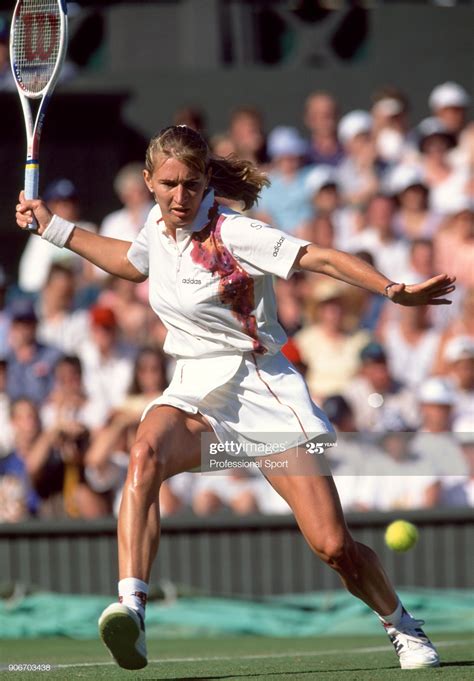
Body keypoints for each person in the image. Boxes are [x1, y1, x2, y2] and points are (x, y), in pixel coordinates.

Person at [15, 124, 454, 671]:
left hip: (263, 393)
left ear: (205, 184)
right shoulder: (156, 224)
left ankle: (403, 626)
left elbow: (321, 258)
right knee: (143, 452)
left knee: (333, 547)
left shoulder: (236, 233)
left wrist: (392, 290)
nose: (181, 197)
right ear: (150, 181)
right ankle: (133, 609)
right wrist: (54, 228)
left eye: (192, 186)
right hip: (197, 387)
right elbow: (131, 262)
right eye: (170, 184)